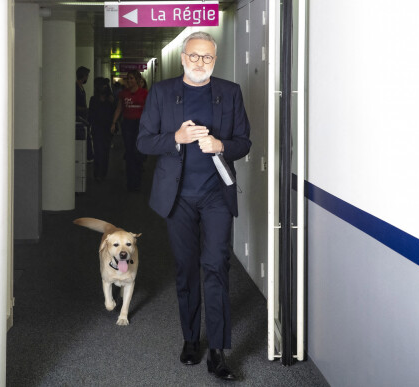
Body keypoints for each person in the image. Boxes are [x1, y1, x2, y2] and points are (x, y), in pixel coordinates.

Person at [136, 31, 251, 381]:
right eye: (195, 56)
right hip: (178, 198)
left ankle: (216, 350)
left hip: (216, 194)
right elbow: (143, 141)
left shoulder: (229, 93)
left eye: (208, 58)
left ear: (214, 61)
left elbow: (243, 142)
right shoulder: (162, 93)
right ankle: (190, 339)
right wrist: (176, 138)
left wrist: (220, 145)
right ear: (183, 57)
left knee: (216, 266)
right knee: (186, 269)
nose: (201, 62)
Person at [110, 70, 148, 192]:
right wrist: (114, 122)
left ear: (137, 80)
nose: (129, 81)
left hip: (140, 125)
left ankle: (138, 174)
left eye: (132, 78)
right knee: (130, 152)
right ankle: (131, 182)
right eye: (128, 78)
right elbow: (119, 108)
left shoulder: (144, 93)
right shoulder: (123, 94)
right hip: (127, 124)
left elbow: (150, 110)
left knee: (138, 151)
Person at [88, 77, 115, 181]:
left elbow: (114, 113)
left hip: (107, 129)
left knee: (105, 151)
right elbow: (91, 114)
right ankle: (98, 174)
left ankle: (102, 173)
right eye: (102, 85)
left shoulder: (110, 100)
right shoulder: (93, 100)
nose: (104, 87)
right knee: (99, 151)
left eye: (105, 85)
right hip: (97, 129)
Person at [76, 66, 93, 162]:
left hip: (82, 115)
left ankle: (89, 156)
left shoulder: (80, 87)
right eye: (87, 76)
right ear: (84, 76)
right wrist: (85, 109)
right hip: (79, 116)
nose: (87, 78)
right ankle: (89, 156)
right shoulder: (76, 88)